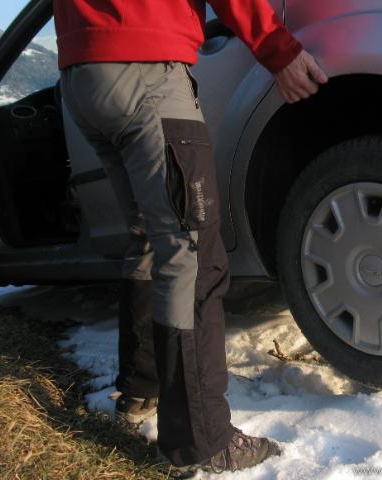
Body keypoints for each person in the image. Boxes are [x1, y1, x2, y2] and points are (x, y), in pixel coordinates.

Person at [53, 0, 328, 475]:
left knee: (150, 237)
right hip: (145, 70)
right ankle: (202, 441)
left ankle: (141, 391)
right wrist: (278, 49)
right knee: (192, 254)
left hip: (82, 75)